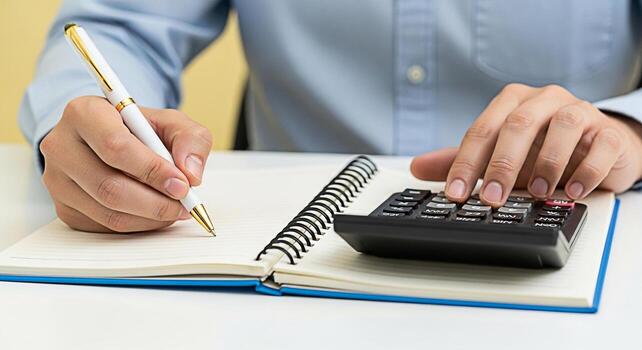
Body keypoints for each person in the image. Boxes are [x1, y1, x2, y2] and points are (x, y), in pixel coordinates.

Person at [20, 1, 642, 233]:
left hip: (562, 238)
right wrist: (86, 126)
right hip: (285, 278)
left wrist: (629, 128)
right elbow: (114, 27)